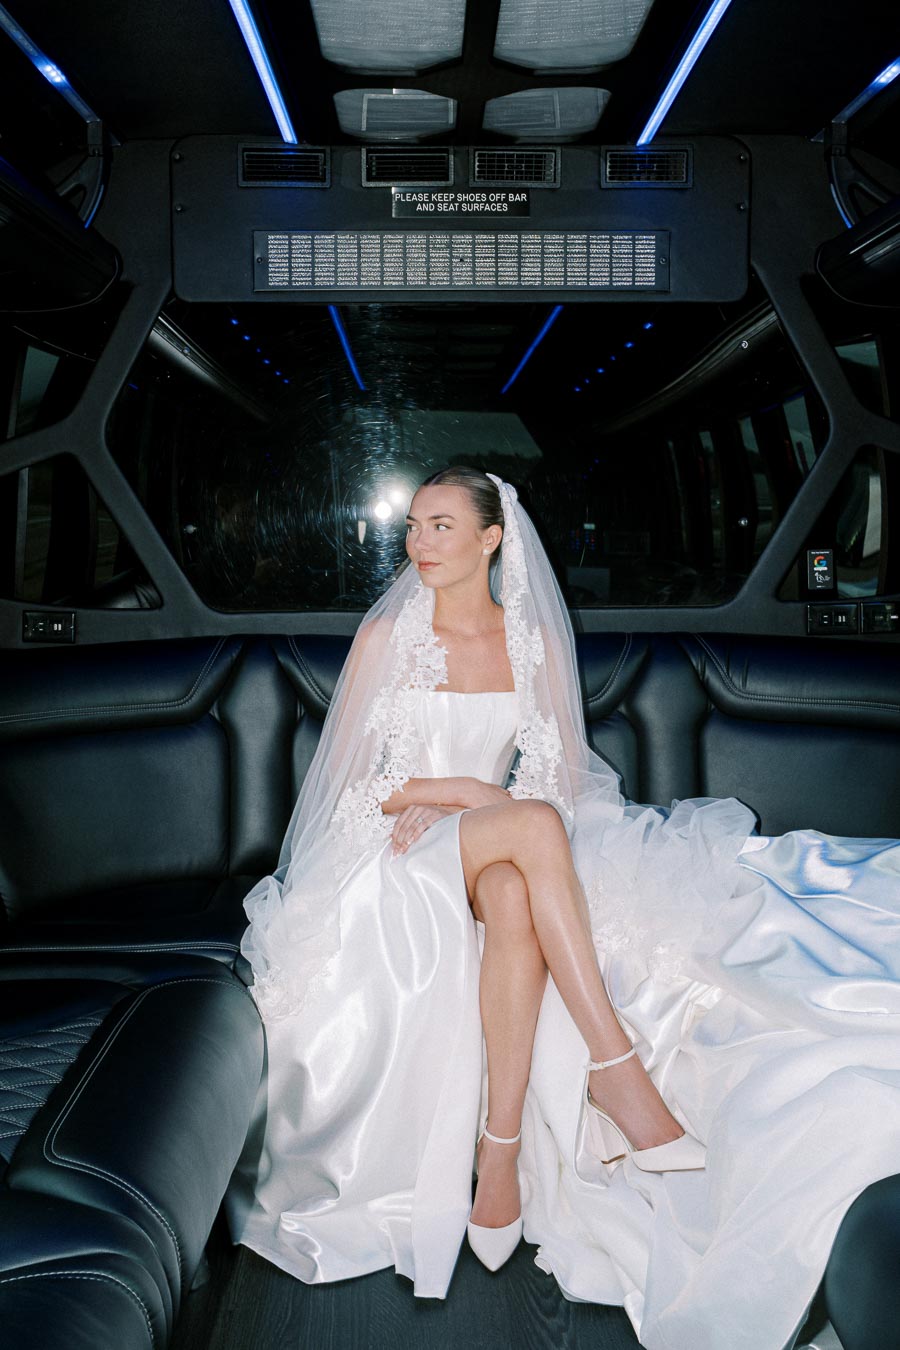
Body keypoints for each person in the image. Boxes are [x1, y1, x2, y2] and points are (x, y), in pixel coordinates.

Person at [225, 467, 900, 1350]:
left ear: (491, 538)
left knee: (516, 884)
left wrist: (484, 806)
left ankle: (499, 1149)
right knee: (528, 832)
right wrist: (456, 791)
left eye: (441, 526)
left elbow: (557, 782)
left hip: (494, 840)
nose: (419, 543)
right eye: (415, 526)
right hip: (390, 844)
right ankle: (614, 1070)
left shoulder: (532, 640)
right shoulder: (388, 636)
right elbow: (347, 786)